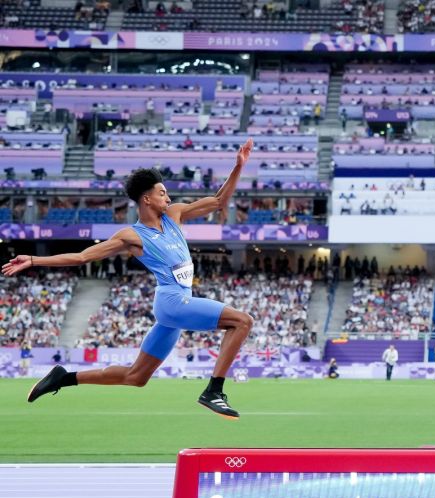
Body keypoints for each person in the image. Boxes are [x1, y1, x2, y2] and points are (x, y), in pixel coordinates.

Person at [3, 139, 256, 420]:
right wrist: (34, 260)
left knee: (137, 376)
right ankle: (214, 391)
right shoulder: (131, 236)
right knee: (242, 321)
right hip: (172, 301)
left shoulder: (175, 215)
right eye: (162, 194)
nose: (168, 198)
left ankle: (64, 378)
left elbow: (220, 201)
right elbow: (83, 257)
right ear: (146, 199)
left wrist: (238, 167)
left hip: (174, 309)